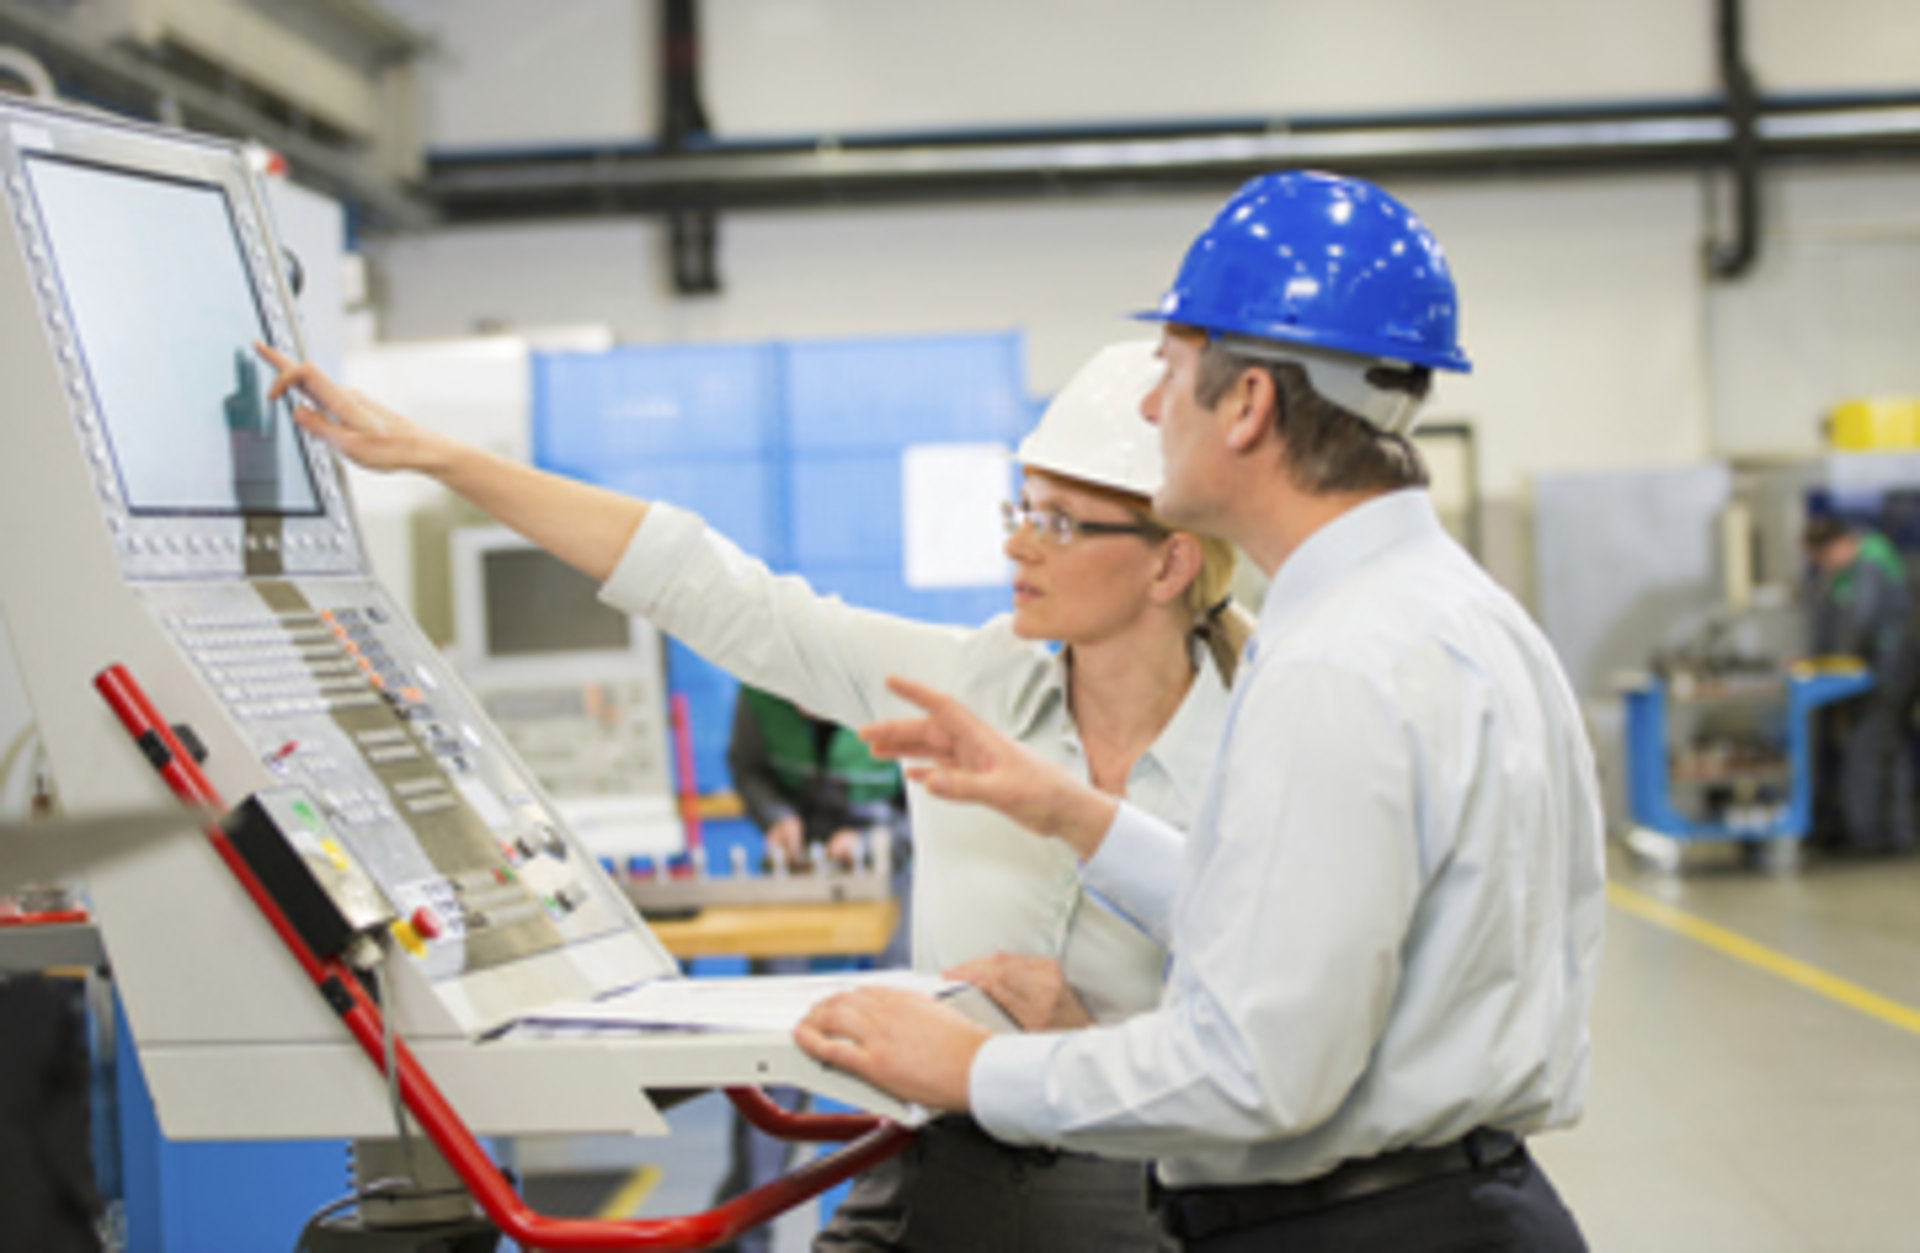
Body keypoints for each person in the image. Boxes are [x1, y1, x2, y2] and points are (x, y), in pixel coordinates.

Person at [259, 337, 1250, 1253]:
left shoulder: (1264, 755)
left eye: (1061, 522)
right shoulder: (968, 685)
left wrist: (1092, 1043)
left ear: (1170, 560)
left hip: (1142, 1183)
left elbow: (1292, 1049)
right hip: (935, 1159)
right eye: (1019, 510)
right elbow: (714, 589)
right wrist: (438, 457)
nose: (1019, 546)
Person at [794, 171, 1608, 1252]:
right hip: (1455, 1207)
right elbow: (1311, 923)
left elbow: (1256, 1067)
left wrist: (969, 1067)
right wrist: (1076, 813)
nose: (1146, 406)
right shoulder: (1455, 616)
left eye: (1169, 370)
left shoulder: (1336, 663)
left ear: (1250, 404)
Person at [710, 687, 911, 1253]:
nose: (806, 712)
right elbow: (748, 769)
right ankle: (742, 1233)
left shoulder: (890, 697)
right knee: (772, 1050)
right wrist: (775, 817)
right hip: (799, 875)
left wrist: (878, 839)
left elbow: (930, 807)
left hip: (888, 873)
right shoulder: (758, 700)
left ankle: (892, 1220)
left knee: (895, 1046)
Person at [1803, 514, 1918, 854]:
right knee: (1889, 750)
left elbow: (1859, 620)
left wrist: (1836, 662)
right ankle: (1897, 834)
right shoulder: (1854, 567)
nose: (1823, 567)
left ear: (1840, 544)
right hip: (1890, 671)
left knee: (1864, 750)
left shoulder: (1871, 562)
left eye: (1822, 559)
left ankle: (1866, 835)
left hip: (1888, 673)